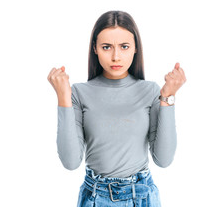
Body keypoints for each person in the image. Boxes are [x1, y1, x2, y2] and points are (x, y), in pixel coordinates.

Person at [47, 10, 186, 206]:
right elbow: (70, 162)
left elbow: (163, 160)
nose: (116, 56)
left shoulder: (150, 91)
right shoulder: (79, 93)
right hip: (95, 197)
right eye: (106, 47)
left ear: (135, 48)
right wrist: (63, 97)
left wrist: (168, 96)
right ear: (95, 48)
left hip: (142, 196)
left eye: (124, 46)